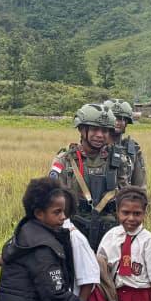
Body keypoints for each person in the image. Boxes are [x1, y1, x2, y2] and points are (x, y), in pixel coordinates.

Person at [50, 103, 129, 250]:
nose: (100, 135)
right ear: (81, 129)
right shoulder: (65, 160)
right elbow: (53, 201)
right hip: (73, 230)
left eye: (105, 130)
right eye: (94, 129)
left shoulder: (118, 160)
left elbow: (126, 197)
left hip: (110, 234)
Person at [105, 98, 147, 189]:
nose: (117, 122)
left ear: (126, 122)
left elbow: (140, 186)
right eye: (113, 118)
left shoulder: (132, 150)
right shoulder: (95, 147)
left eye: (120, 119)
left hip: (125, 196)